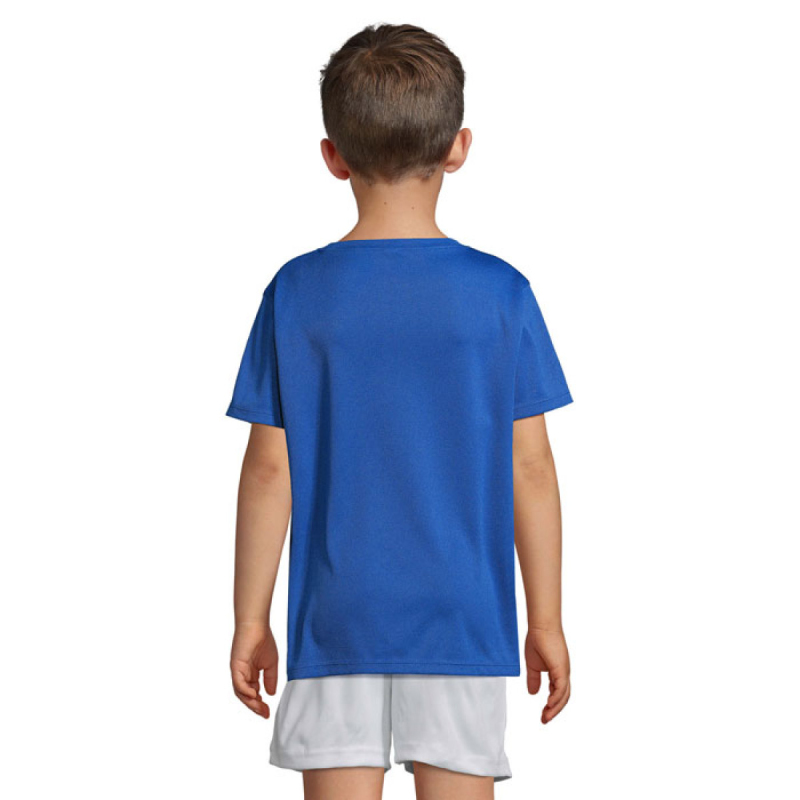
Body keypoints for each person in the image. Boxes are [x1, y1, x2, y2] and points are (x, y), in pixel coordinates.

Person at [226, 22, 574, 800]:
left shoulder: (296, 292)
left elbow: (270, 469)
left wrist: (251, 618)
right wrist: (546, 619)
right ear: (458, 148)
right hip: (462, 617)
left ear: (333, 156)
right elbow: (530, 468)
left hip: (335, 619)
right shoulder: (502, 294)